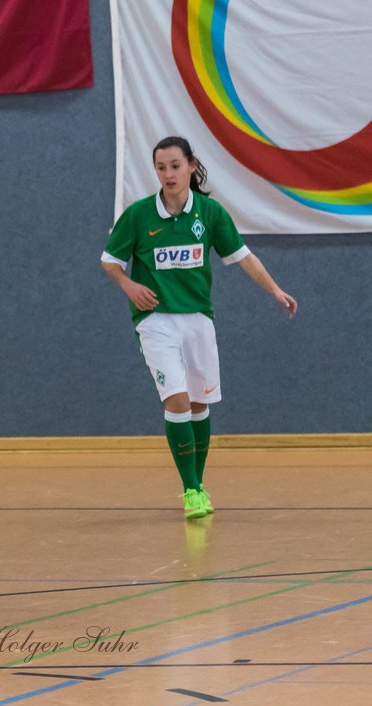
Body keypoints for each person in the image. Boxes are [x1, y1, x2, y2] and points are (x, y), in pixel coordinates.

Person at [101, 136, 298, 519]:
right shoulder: (140, 214)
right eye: (161, 167)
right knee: (176, 400)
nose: (169, 174)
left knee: (198, 403)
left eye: (175, 165)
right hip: (156, 321)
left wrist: (275, 290)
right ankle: (190, 490)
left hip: (198, 320)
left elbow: (242, 257)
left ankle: (200, 484)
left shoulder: (209, 213)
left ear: (191, 166)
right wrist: (129, 284)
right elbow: (110, 260)